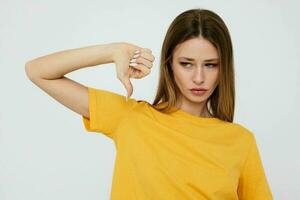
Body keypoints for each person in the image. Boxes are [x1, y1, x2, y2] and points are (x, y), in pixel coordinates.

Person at [25, 8, 273, 200]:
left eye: (210, 64)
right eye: (186, 63)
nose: (199, 77)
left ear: (224, 68)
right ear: (169, 65)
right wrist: (113, 51)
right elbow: (38, 71)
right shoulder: (130, 118)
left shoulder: (240, 141)